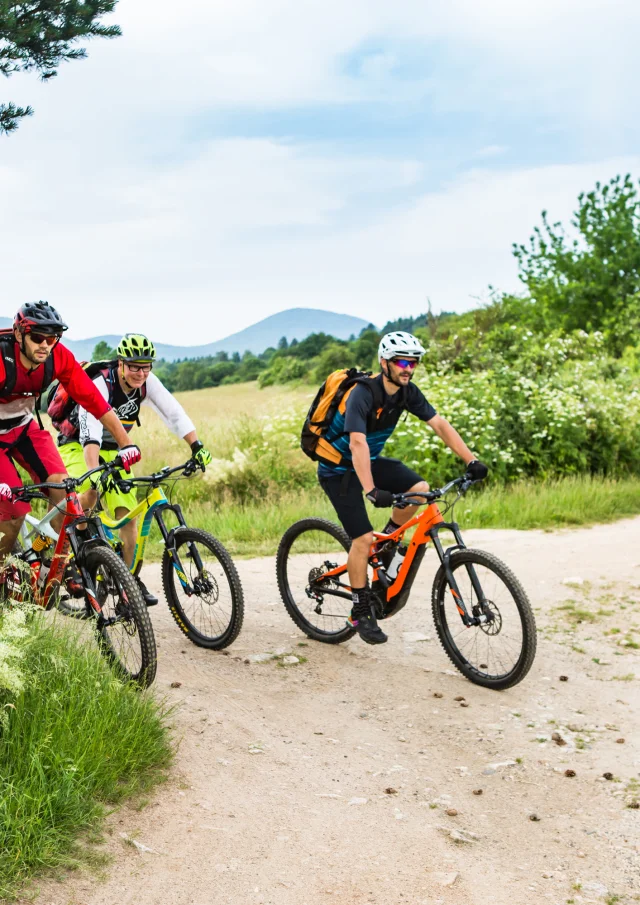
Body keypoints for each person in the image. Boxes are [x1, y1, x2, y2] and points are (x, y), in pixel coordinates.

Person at [317, 330, 488, 645]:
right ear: (384, 362)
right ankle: (360, 609)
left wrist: (471, 460)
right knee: (363, 538)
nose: (408, 368)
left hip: (370, 460)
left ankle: (386, 544)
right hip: (338, 469)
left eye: (413, 362)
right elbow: (356, 443)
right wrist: (370, 490)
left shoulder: (408, 392)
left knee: (419, 488)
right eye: (401, 362)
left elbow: (439, 424)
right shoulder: (362, 394)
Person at [57, 333, 212, 605]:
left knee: (128, 519)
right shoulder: (101, 382)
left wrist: (196, 445)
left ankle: (125, 582)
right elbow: (90, 431)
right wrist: (93, 472)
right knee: (89, 495)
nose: (141, 373)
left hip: (116, 451)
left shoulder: (146, 383)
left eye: (146, 366)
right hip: (77, 444)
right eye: (134, 366)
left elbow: (173, 412)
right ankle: (75, 551)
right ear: (121, 364)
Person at [0, 301, 141, 559]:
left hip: (23, 429)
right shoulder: (1, 358)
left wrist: (126, 443)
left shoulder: (57, 357)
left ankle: (50, 570)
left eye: (52, 338)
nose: (45, 344)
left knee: (66, 495)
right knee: (14, 511)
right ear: (19, 334)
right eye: (37, 337)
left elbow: (95, 402)